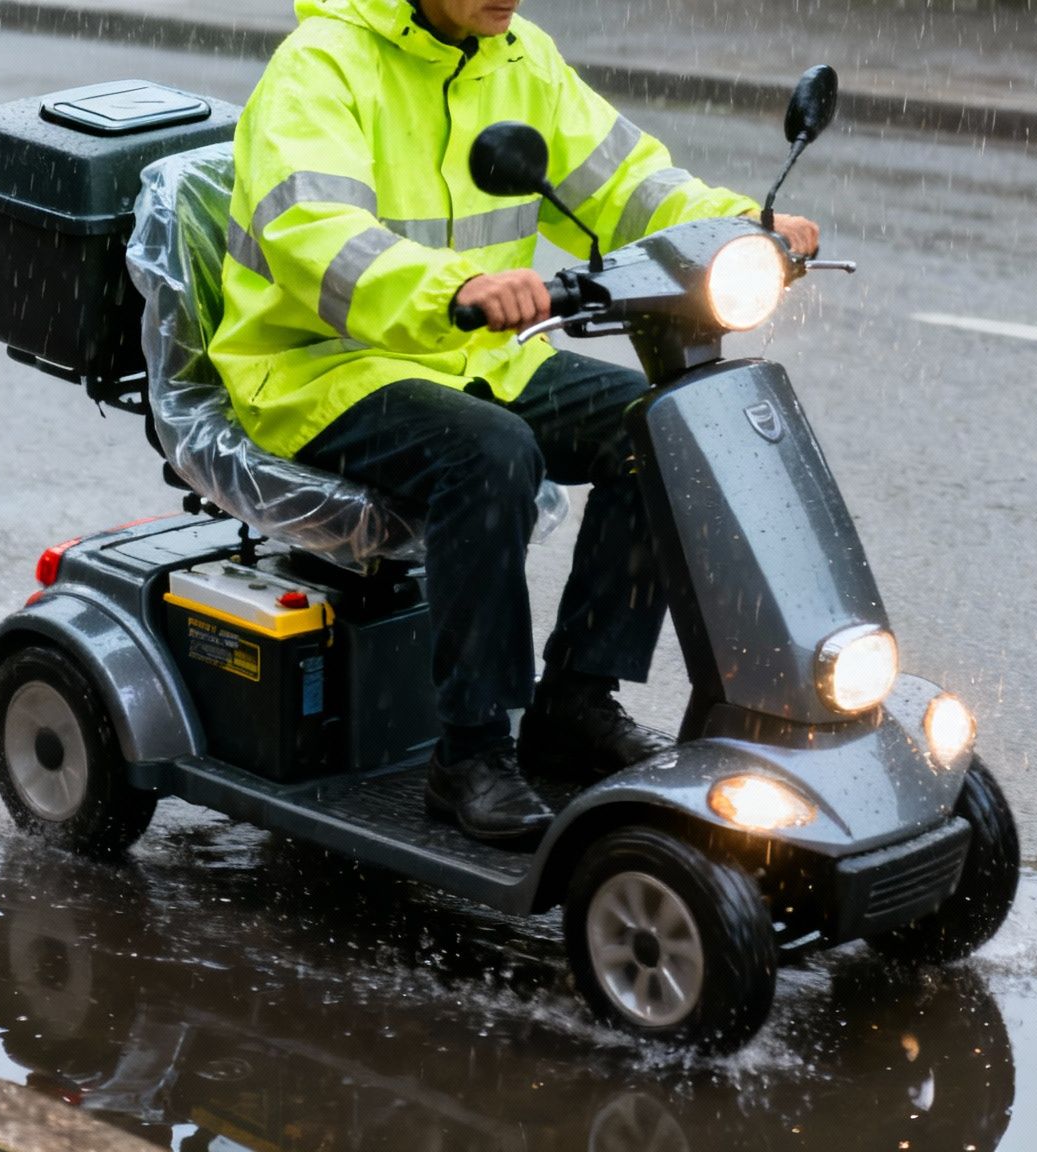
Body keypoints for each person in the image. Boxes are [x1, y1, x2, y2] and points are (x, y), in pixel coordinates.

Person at [207, 0, 821, 846]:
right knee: (490, 454)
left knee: (662, 428)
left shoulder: (519, 56)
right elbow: (314, 234)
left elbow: (627, 183)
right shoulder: (323, 64)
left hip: (479, 353)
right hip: (322, 365)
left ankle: (575, 698)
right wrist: (449, 288)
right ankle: (470, 751)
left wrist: (741, 228)